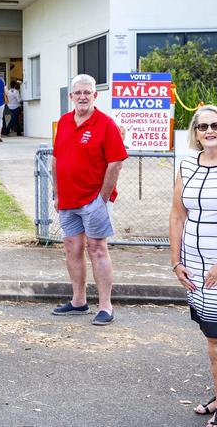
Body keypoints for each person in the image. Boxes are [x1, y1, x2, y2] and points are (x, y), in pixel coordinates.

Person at [51, 74, 127, 326]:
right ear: (70, 96)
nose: (82, 97)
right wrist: (57, 193)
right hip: (68, 200)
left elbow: (115, 163)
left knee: (97, 249)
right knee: (72, 248)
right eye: (78, 93)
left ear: (95, 96)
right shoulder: (63, 122)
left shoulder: (105, 124)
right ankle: (78, 301)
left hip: (94, 201)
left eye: (87, 93)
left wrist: (101, 199)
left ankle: (105, 306)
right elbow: (56, 159)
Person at [170, 105, 217, 427]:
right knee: (214, 336)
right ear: (195, 132)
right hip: (197, 266)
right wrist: (176, 261)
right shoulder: (188, 164)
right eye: (202, 126)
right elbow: (178, 214)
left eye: (216, 125)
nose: (209, 131)